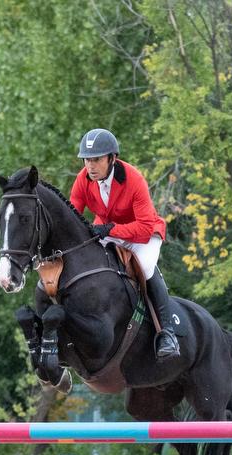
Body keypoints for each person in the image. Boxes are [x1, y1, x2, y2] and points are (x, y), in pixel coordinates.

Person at [69, 128, 180, 361]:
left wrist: (110, 229)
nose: (90, 166)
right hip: (107, 230)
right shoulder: (83, 179)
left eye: (97, 159)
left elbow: (144, 228)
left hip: (144, 234)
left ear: (112, 158)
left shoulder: (134, 179)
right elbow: (72, 217)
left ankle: (167, 334)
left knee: (146, 267)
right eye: (87, 160)